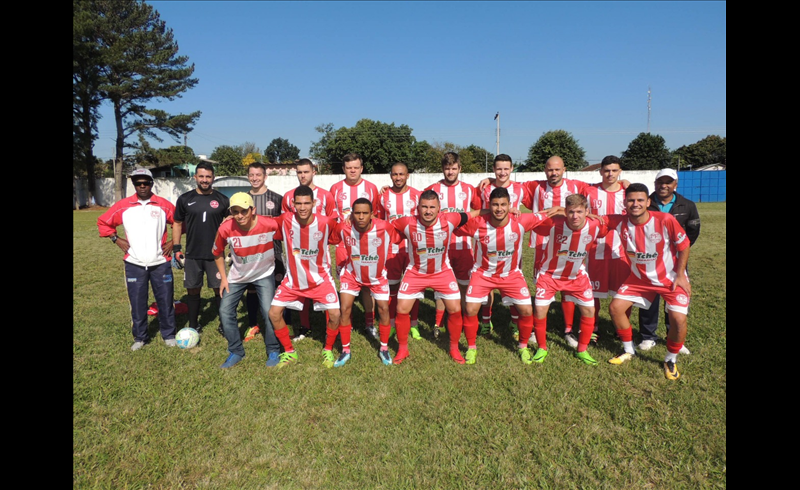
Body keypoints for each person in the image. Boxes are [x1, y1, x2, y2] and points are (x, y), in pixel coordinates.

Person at [454, 187, 555, 365]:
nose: (499, 209)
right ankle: (471, 348)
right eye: (494, 205)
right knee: (470, 309)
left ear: (510, 205)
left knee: (526, 311)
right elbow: (454, 222)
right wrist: (480, 211)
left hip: (511, 274)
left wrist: (567, 210)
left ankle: (522, 346)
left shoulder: (521, 220)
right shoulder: (478, 223)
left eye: (503, 204)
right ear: (489, 206)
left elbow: (548, 216)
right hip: (483, 274)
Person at [602, 183, 692, 380]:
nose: (635, 204)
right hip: (638, 279)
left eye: (640, 200)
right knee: (616, 308)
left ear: (648, 202)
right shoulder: (618, 221)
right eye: (631, 200)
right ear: (624, 203)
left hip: (669, 278)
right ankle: (629, 350)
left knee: (678, 319)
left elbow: (684, 245)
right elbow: (590, 218)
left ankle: (670, 358)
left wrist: (680, 274)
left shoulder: (665, 220)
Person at [390, 190, 484, 364]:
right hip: (416, 273)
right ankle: (402, 349)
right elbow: (385, 226)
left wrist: (507, 211)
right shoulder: (407, 222)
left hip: (442, 272)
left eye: (432, 207)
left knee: (455, 309)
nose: (428, 211)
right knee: (401, 309)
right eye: (424, 207)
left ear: (439, 209)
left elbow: (475, 213)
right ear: (417, 208)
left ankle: (454, 348)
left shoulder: (450, 219)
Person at [97, 169, 178, 350]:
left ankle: (169, 334)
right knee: (137, 301)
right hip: (134, 263)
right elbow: (103, 222)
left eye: (146, 183)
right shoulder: (123, 206)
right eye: (138, 183)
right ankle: (140, 337)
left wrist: (173, 242)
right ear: (134, 185)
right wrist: (115, 239)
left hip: (160, 262)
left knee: (165, 300)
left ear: (151, 184)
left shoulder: (163, 205)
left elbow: (181, 222)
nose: (142, 186)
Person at [528, 194, 609, 365]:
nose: (575, 216)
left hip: (576, 276)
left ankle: (582, 350)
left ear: (588, 211)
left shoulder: (596, 225)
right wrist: (554, 210)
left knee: (589, 311)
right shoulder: (553, 223)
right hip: (549, 275)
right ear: (565, 212)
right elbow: (531, 219)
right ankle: (542, 347)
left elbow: (616, 221)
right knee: (540, 311)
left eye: (580, 211)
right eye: (571, 212)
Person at [268, 185, 342, 368]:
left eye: (307, 203)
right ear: (292, 204)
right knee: (274, 313)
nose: (302, 207)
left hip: (321, 279)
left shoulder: (326, 222)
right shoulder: (286, 219)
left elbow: (338, 235)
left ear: (314, 203)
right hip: (293, 280)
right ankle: (289, 351)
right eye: (299, 203)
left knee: (335, 314)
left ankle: (328, 348)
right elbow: (263, 222)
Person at [212, 193, 282, 369]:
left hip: (264, 273)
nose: (240, 215)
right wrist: (224, 278)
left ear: (253, 210)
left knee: (268, 311)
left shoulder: (269, 223)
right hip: (238, 276)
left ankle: (273, 349)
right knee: (225, 311)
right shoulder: (225, 228)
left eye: (244, 211)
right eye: (235, 211)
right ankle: (236, 351)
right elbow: (217, 252)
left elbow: (290, 225)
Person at [332, 198, 404, 366]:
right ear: (351, 214)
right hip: (352, 274)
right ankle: (345, 350)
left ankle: (384, 348)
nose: (361, 217)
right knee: (345, 309)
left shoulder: (384, 227)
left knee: (384, 309)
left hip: (377, 276)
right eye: (357, 213)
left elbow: (399, 236)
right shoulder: (344, 228)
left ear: (372, 214)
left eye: (365, 213)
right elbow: (331, 238)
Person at [637, 168, 700, 354]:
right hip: (649, 260)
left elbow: (693, 231)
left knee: (674, 297)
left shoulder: (687, 205)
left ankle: (672, 336)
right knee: (648, 298)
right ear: (655, 184)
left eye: (668, 182)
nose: (663, 185)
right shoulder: (646, 203)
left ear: (675, 184)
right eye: (660, 182)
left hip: (676, 261)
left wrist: (678, 252)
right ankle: (648, 336)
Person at [424, 152, 481, 339]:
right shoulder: (433, 188)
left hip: (464, 246)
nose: (450, 172)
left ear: (460, 169)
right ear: (442, 169)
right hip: (441, 247)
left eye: (454, 168)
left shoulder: (469, 189)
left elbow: (478, 210)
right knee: (442, 287)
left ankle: (464, 320)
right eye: (447, 168)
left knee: (464, 285)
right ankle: (437, 323)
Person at [281, 158, 337, 341]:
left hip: (319, 253)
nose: (303, 175)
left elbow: (332, 222)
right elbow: (285, 223)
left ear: (314, 172)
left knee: (325, 288)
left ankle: (329, 325)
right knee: (301, 288)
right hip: (298, 252)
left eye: (306, 171)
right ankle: (305, 327)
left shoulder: (326, 195)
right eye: (299, 172)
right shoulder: (289, 196)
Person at [577, 155, 630, 346]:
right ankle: (593, 327)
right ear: (600, 172)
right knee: (593, 292)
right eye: (606, 170)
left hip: (620, 252)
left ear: (620, 172)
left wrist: (627, 184)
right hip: (595, 250)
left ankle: (620, 327)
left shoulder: (627, 192)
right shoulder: (589, 191)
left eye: (614, 170)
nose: (610, 174)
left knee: (622, 293)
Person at [172, 161, 230, 335]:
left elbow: (230, 226)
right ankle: (193, 324)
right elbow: (177, 223)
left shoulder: (222, 200)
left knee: (219, 289)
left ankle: (224, 324)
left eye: (208, 177)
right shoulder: (185, 199)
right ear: (195, 177)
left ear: (213, 178)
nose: (205, 180)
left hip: (216, 255)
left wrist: (231, 249)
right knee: (193, 289)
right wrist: (176, 248)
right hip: (192, 254)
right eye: (201, 176)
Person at [475, 154, 529, 339]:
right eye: (499, 169)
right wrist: (489, 180)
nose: (502, 172)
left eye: (506, 168)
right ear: (493, 170)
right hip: (486, 242)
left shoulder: (520, 189)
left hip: (511, 245)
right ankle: (485, 321)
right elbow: (475, 208)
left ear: (512, 168)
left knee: (512, 283)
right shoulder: (484, 188)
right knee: (486, 284)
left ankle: (514, 323)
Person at [329, 153, 380, 336]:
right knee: (345, 283)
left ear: (361, 168)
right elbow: (333, 217)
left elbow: (376, 215)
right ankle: (347, 322)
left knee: (366, 284)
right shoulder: (335, 188)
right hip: (344, 244)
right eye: (349, 167)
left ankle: (369, 323)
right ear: (343, 169)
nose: (352, 170)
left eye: (356, 167)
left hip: (366, 243)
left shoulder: (371, 188)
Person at [239, 162, 288, 343]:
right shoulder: (242, 198)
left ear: (265, 176)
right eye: (251, 175)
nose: (255, 178)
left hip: (273, 252)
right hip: (250, 253)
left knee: (277, 288)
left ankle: (282, 321)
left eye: (258, 175)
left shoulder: (276, 198)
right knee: (251, 289)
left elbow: (284, 224)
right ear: (248, 176)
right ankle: (253, 324)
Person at [375, 162, 422, 340]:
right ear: (390, 176)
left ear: (408, 175)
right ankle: (393, 322)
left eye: (401, 174)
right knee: (392, 286)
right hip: (391, 249)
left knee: (414, 288)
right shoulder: (383, 196)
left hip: (413, 248)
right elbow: (379, 221)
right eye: (395, 174)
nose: (398, 177)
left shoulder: (417, 196)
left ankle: (414, 324)